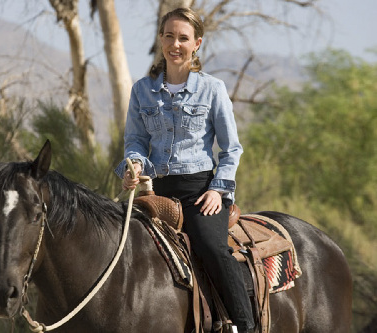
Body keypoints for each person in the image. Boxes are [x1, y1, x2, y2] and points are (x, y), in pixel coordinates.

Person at [114, 7, 254, 333]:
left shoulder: (213, 89)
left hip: (201, 193)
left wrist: (219, 191)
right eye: (169, 36)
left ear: (197, 44)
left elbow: (231, 148)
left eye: (183, 38)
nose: (175, 44)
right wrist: (133, 166)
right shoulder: (141, 90)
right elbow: (135, 141)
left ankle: (247, 326)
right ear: (160, 39)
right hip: (157, 191)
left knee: (211, 248)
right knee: (117, 241)